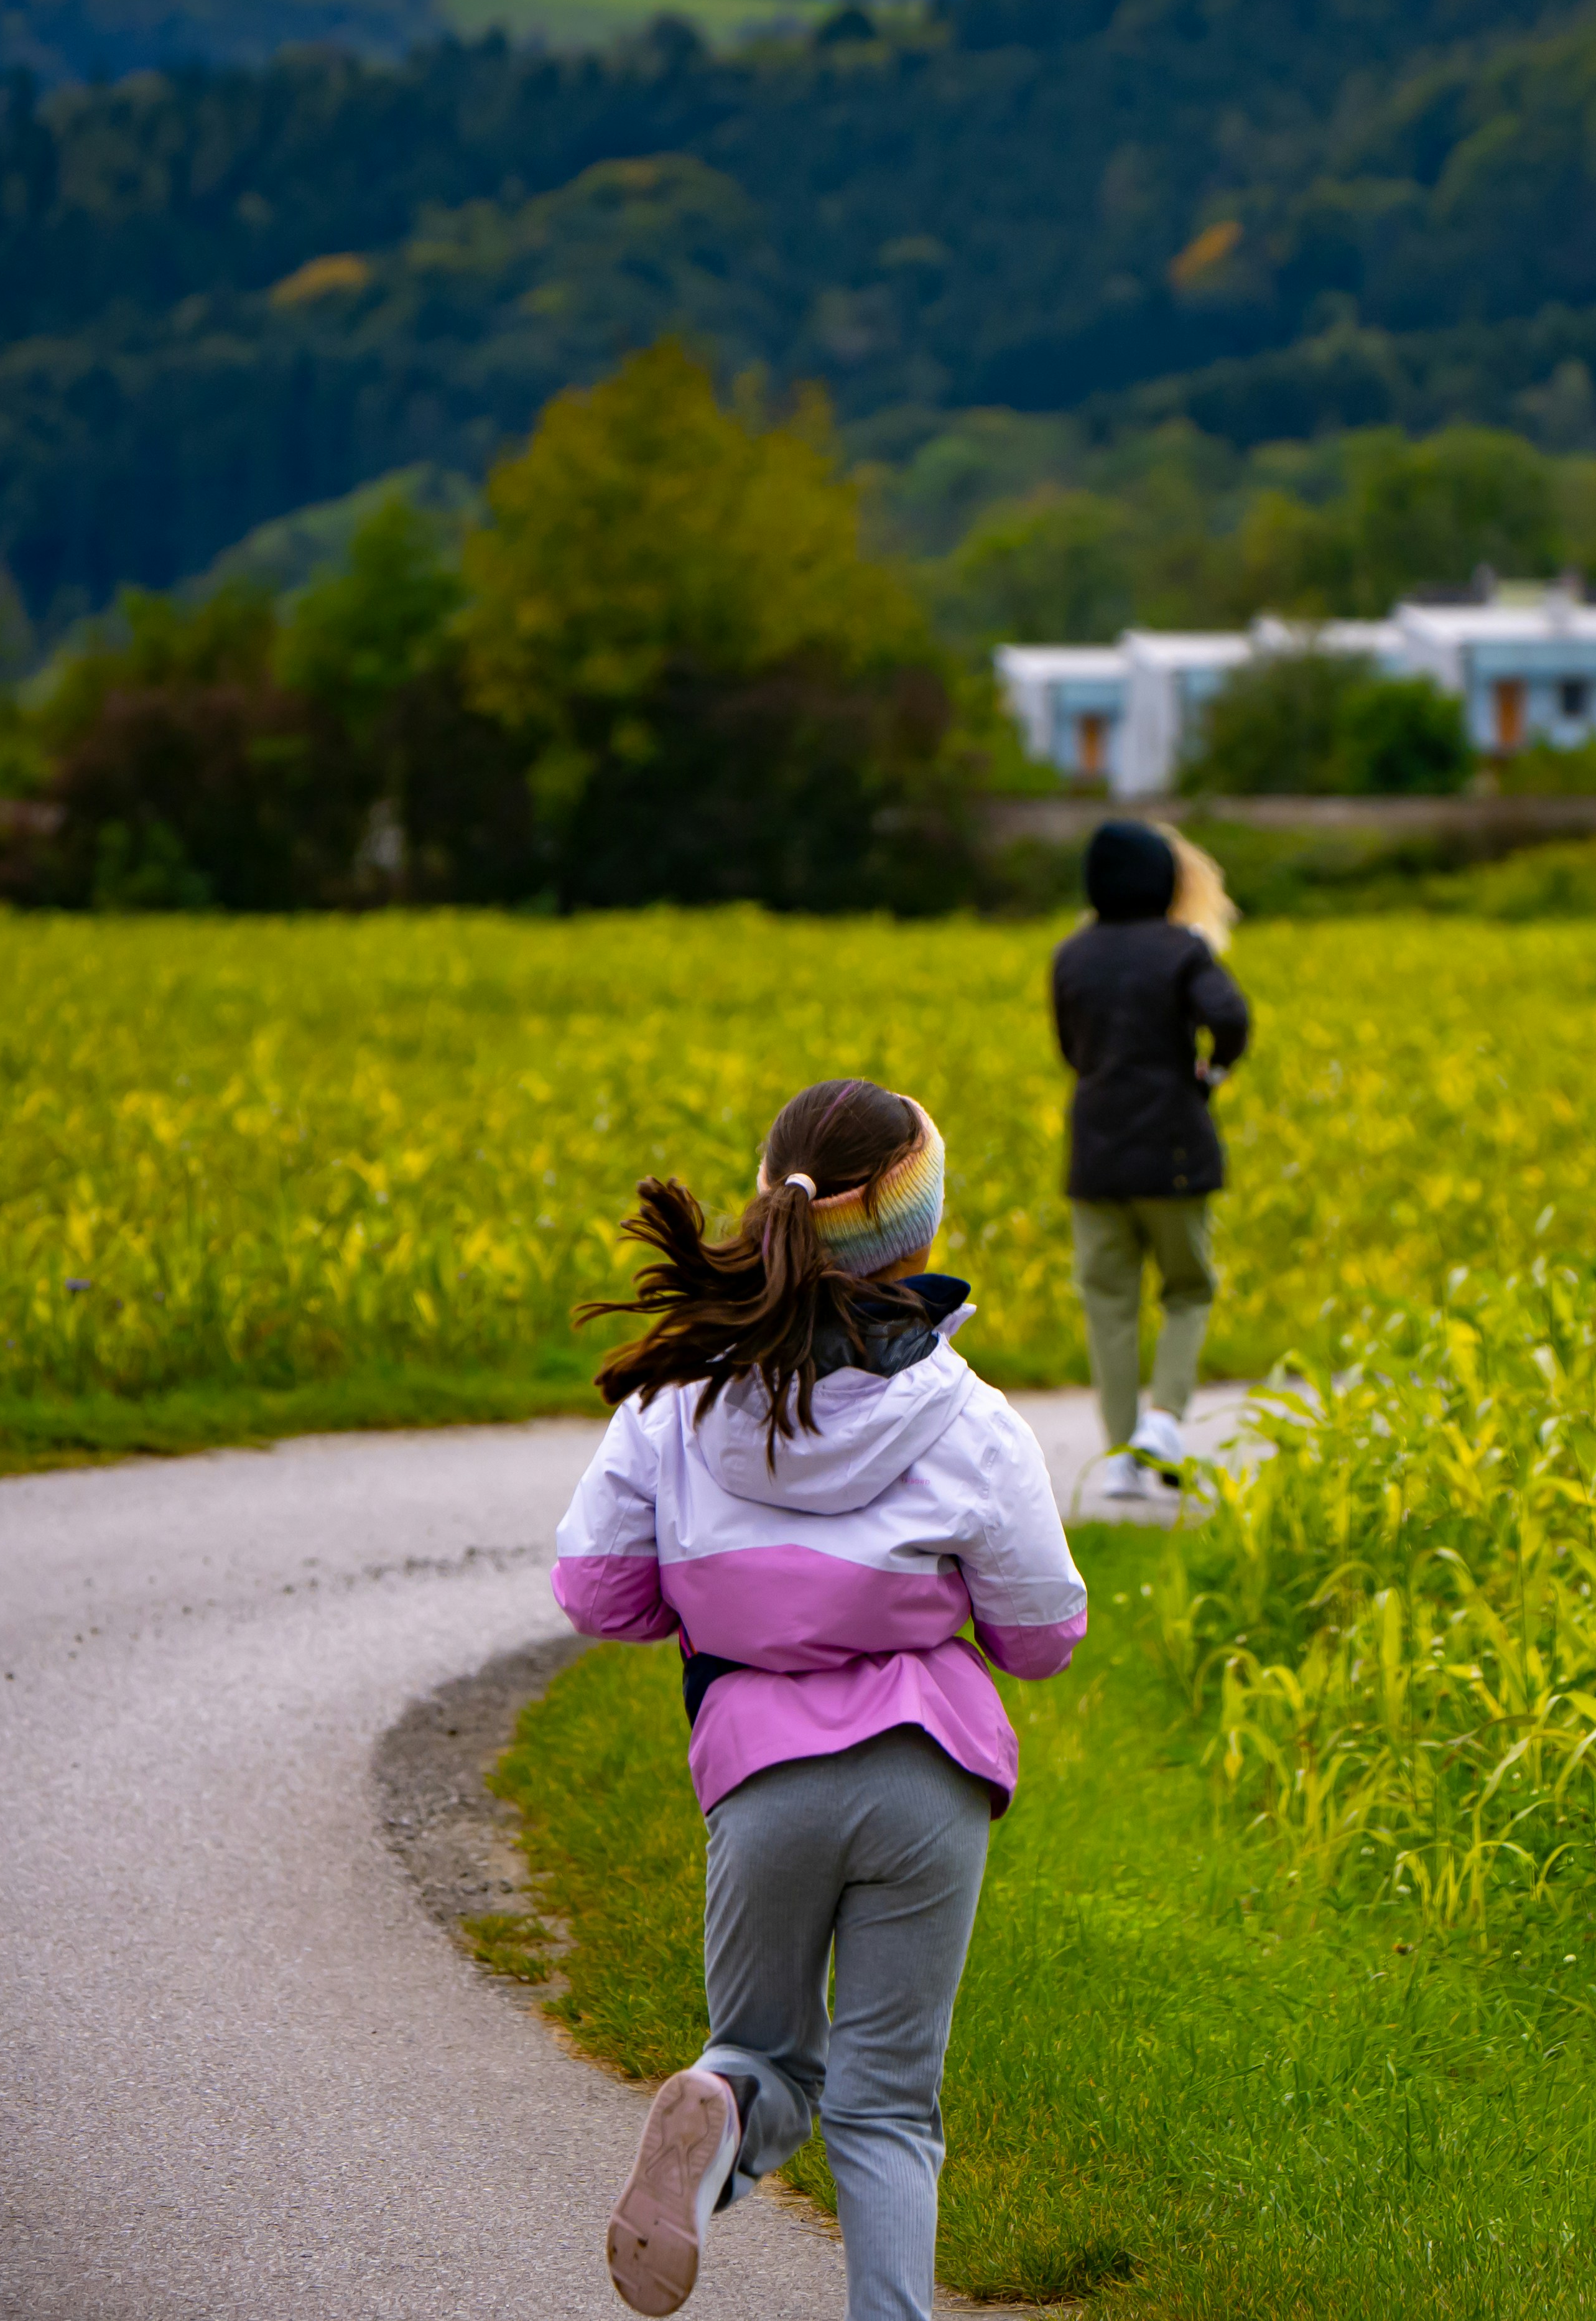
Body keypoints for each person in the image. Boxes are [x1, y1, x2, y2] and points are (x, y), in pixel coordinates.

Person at [550, 1079, 1086, 2320]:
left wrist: (705, 1613)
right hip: (927, 1781)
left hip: (761, 1777)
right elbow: (1045, 1632)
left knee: (765, 2054)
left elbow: (594, 1589)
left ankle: (723, 2109)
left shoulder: (680, 1400)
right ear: (919, 1228)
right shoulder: (969, 1417)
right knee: (890, 2100)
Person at [1051, 819, 1251, 1501]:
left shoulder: (1071, 956)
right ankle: (1164, 1420)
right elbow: (1232, 1018)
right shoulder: (1182, 951)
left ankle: (1118, 1455)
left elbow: (1071, 1050)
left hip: (1096, 1153)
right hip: (1174, 1148)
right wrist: (1210, 1072)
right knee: (1188, 1288)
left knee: (1109, 1301)